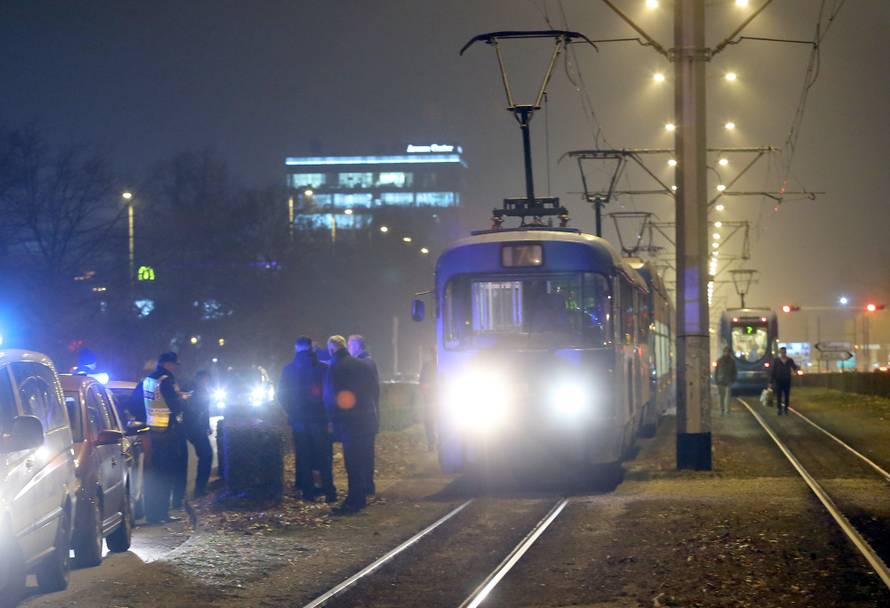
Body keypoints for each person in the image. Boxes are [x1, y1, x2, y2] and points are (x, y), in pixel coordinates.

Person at [279, 337, 336, 503]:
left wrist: (292, 412)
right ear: (312, 348)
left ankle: (308, 492)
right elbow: (330, 393)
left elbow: (282, 395)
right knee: (324, 456)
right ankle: (329, 491)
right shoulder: (323, 368)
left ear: (296, 349)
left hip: (299, 421)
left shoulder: (288, 370)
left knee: (304, 457)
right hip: (320, 420)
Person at [325, 335, 378, 514]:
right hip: (366, 419)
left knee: (352, 462)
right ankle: (360, 495)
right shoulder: (362, 365)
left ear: (332, 349)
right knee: (362, 459)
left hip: (349, 421)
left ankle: (355, 499)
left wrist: (332, 420)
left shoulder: (335, 367)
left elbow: (331, 396)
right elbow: (373, 390)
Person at [142, 352, 188, 523]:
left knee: (154, 475)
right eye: (174, 365)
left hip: (152, 432)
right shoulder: (166, 380)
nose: (175, 368)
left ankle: (152, 514)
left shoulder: (149, 380)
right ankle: (162, 514)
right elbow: (175, 406)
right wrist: (182, 398)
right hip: (167, 434)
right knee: (166, 475)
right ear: (168, 364)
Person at [348, 335, 379, 497]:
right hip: (370, 416)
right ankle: (368, 484)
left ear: (356, 346)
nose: (349, 348)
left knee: (363, 453)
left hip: (364, 417)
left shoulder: (363, 363)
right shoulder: (369, 362)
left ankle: (366, 485)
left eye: (350, 345)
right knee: (367, 453)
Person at [185, 370, 214, 498]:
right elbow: (194, 410)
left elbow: (204, 411)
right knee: (206, 455)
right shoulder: (194, 390)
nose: (207, 382)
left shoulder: (200, 390)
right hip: (196, 428)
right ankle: (199, 489)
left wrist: (207, 426)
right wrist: (200, 426)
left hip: (199, 428)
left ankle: (200, 488)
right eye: (206, 379)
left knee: (206, 456)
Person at [770, 346, 800, 416]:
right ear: (780, 352)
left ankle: (786, 409)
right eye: (782, 352)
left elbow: (794, 367)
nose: (783, 353)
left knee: (786, 395)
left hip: (787, 380)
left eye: (784, 352)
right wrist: (771, 381)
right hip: (778, 380)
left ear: (785, 352)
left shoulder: (790, 360)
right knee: (779, 395)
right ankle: (779, 409)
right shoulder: (777, 360)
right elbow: (773, 371)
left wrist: (797, 370)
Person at [418, 348, 438, 451]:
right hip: (432, 398)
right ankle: (432, 443)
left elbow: (421, 382)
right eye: (434, 353)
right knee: (430, 421)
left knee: (430, 421)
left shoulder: (427, 366)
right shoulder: (428, 366)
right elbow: (422, 382)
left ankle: (432, 442)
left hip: (432, 398)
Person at [714, 346, 738, 415]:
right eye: (726, 352)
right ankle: (722, 410)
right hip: (720, 381)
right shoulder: (719, 360)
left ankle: (727, 411)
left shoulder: (732, 361)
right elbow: (716, 371)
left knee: (728, 397)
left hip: (728, 381)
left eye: (728, 352)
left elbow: (734, 371)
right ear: (723, 352)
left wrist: (733, 379)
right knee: (721, 397)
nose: (727, 353)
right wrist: (716, 380)